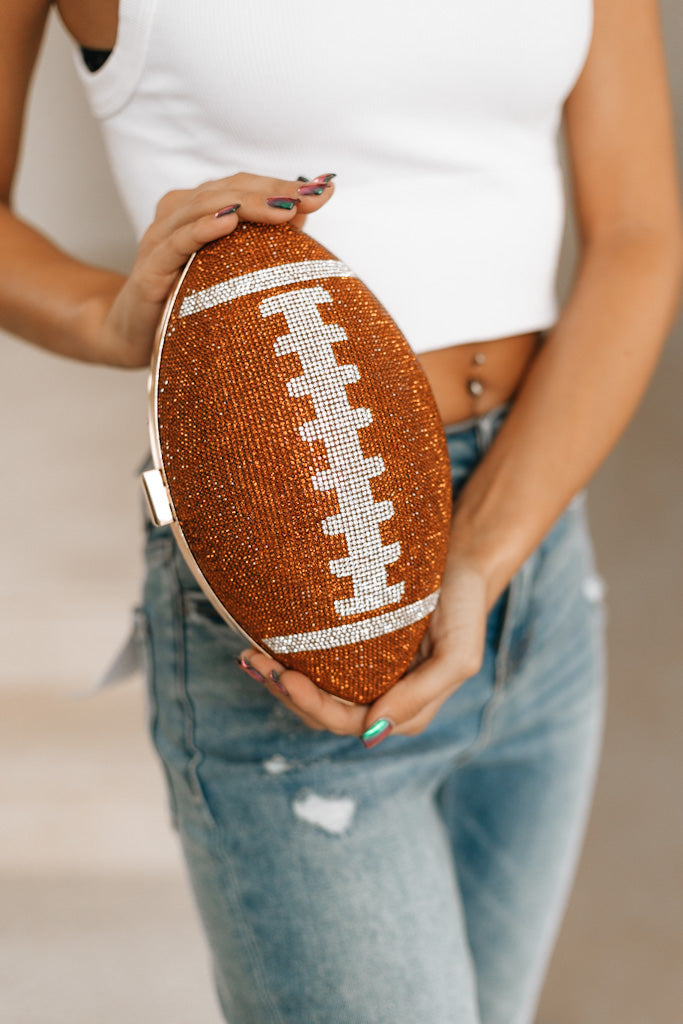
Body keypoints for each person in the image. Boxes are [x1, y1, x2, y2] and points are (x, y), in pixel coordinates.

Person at [3, 2, 682, 1022]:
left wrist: (480, 555)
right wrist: (112, 316)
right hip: (298, 599)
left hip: (533, 542)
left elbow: (636, 231)